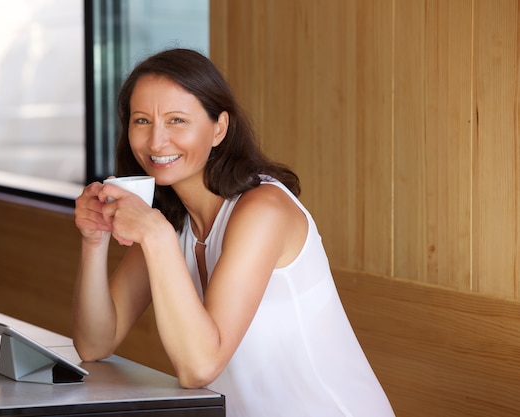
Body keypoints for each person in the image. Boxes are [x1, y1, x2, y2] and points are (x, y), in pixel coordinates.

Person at [73, 48, 395, 417]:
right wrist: (94, 239)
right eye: (142, 121)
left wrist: (155, 235)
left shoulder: (262, 210)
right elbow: (94, 344)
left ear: (219, 128)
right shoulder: (171, 222)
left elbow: (200, 367)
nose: (156, 142)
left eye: (177, 120)